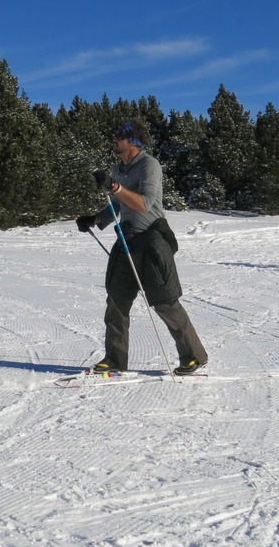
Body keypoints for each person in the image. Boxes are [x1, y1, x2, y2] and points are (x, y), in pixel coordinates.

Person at [76, 120, 208, 376]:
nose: (114, 140)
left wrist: (114, 187)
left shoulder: (149, 165)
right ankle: (114, 359)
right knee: (116, 300)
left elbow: (144, 204)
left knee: (165, 301)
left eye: (119, 136)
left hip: (152, 240)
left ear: (133, 141)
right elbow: (119, 204)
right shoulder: (119, 168)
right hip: (127, 241)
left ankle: (193, 356)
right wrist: (95, 219)